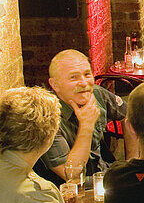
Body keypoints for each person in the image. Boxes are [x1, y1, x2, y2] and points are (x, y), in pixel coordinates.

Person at [36, 49, 135, 187]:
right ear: (55, 85)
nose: (84, 83)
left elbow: (132, 115)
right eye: (74, 77)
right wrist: (86, 126)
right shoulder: (46, 118)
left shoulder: (96, 94)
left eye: (87, 74)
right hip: (76, 191)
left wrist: (131, 161)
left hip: (104, 174)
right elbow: (71, 175)